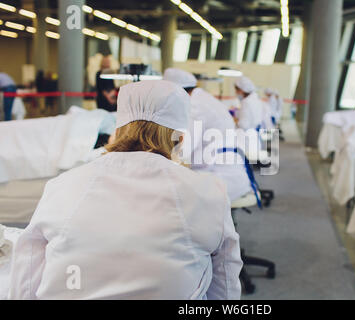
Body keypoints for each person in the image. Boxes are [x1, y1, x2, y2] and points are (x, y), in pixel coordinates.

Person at [9, 80, 242, 300]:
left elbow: (27, 271)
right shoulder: (208, 193)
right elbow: (225, 282)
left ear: (118, 131)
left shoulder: (61, 186)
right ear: (180, 139)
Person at [163, 68, 253, 202]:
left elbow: (182, 150)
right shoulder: (203, 98)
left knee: (168, 195)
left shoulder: (194, 106)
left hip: (221, 177)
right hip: (229, 172)